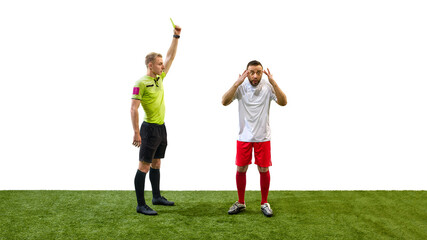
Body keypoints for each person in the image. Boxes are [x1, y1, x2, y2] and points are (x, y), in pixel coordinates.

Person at [222, 60, 287, 217]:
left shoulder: (267, 86)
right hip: (244, 136)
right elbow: (224, 101)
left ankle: (264, 203)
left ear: (262, 72)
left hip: (263, 137)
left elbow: (283, 102)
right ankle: (241, 202)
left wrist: (273, 82)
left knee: (263, 169)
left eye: (258, 72)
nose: (255, 75)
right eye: (252, 72)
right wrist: (236, 83)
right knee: (241, 169)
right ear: (247, 73)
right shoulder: (241, 86)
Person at [130, 24, 181, 216]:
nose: (163, 66)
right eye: (159, 64)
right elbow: (133, 108)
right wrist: (136, 132)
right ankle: (141, 205)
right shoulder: (140, 83)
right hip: (149, 129)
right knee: (143, 165)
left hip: (161, 128)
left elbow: (171, 56)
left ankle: (156, 196)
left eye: (162, 63)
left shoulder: (159, 79)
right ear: (150, 65)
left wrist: (176, 36)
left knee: (157, 163)